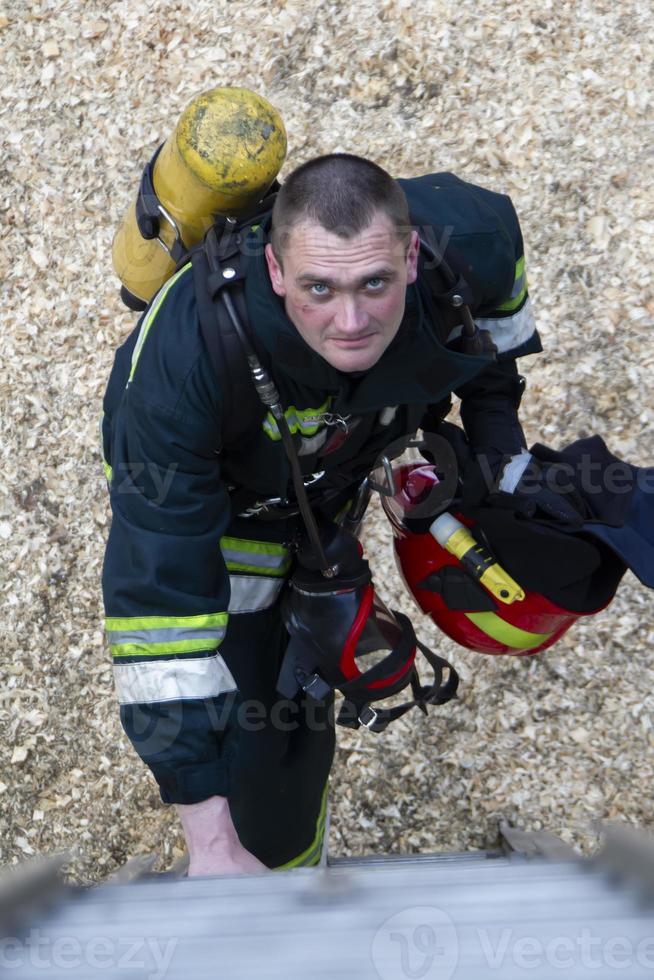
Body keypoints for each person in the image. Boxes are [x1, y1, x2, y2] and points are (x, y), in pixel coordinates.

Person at [101, 153, 542, 875]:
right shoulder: (180, 373)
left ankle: (296, 841)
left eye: (375, 283)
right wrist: (210, 842)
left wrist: (500, 454)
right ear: (275, 273)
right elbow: (158, 602)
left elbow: (495, 330)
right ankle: (274, 860)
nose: (350, 323)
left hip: (327, 492)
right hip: (226, 518)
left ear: (411, 254)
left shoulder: (475, 236)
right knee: (257, 760)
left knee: (293, 743)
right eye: (318, 289)